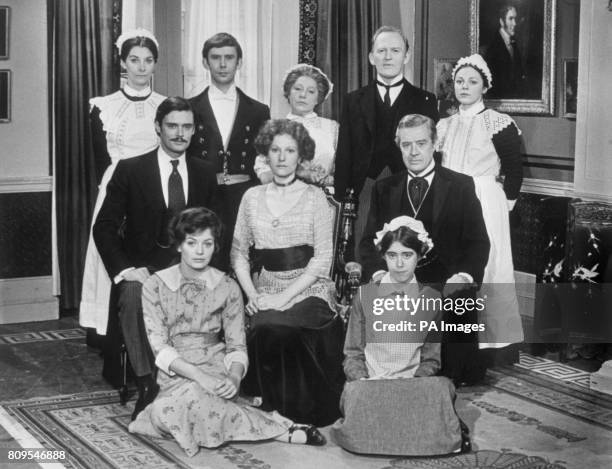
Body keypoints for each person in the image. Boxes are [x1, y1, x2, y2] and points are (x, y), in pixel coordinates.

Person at [128, 207, 325, 456]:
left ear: (215, 246)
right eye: (192, 243)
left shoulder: (229, 287)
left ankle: (242, 420)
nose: (200, 251)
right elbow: (160, 348)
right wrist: (200, 377)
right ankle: (279, 428)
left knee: (196, 402)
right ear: (179, 246)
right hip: (176, 372)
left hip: (215, 365)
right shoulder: (154, 285)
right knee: (170, 408)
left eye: (207, 244)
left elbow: (237, 346)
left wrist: (233, 377)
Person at [93, 97, 218, 420]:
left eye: (186, 127)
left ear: (194, 131)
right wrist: (124, 270)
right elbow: (103, 227)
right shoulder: (131, 169)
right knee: (133, 294)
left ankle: (200, 380)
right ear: (157, 128)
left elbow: (219, 228)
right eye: (172, 126)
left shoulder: (205, 172)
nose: (180, 133)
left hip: (194, 271)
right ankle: (147, 383)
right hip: (145, 272)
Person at [359, 114, 490, 385]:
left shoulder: (461, 186)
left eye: (421, 143)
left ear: (435, 143)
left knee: (457, 303)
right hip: (396, 279)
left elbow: (478, 242)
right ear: (399, 146)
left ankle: (444, 388)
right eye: (406, 145)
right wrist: (378, 275)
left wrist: (464, 277)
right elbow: (367, 242)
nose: (414, 151)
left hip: (445, 282)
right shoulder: (384, 188)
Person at [231, 119, 345, 427]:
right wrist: (254, 295)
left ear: (301, 156)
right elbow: (238, 254)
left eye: (290, 150)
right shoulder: (251, 198)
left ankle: (305, 409)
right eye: (275, 150)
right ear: (265, 154)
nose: (282, 157)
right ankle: (269, 407)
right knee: (267, 324)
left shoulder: (315, 197)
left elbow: (322, 259)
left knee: (285, 324)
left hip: (310, 288)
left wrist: (283, 298)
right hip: (265, 287)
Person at [332, 217, 469, 455]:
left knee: (442, 387)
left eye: (407, 255)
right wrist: (363, 379)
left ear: (420, 255)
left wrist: (413, 382)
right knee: (353, 396)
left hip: (411, 386)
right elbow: (352, 353)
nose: (399, 264)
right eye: (392, 255)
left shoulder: (431, 299)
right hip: (372, 386)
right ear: (383, 256)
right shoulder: (365, 296)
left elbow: (431, 360)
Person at [80, 29, 166, 336]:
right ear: (123, 63)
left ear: (155, 64)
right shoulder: (103, 106)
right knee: (111, 251)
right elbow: (100, 159)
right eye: (134, 60)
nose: (141, 67)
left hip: (155, 191)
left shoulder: (165, 105)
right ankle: (107, 331)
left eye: (148, 60)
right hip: (116, 188)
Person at [437, 54, 524, 353]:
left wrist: (504, 204)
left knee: (489, 263)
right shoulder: (444, 124)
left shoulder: (498, 122)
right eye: (460, 81)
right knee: (456, 262)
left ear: (484, 87)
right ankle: (456, 343)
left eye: (472, 82)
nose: (464, 87)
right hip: (450, 197)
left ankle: (492, 342)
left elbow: (514, 169)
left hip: (486, 197)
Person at [187, 32, 270, 270]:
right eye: (215, 58)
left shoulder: (258, 111)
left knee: (241, 262)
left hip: (244, 196)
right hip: (202, 195)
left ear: (239, 62)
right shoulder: (189, 107)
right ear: (205, 62)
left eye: (229, 57)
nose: (223, 64)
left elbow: (264, 159)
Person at [254, 64, 338, 189]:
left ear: (318, 98)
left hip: (324, 198)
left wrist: (325, 178)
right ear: (288, 93)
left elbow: (344, 171)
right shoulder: (273, 128)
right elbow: (265, 176)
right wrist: (301, 173)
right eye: (297, 89)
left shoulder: (332, 128)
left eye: (310, 91)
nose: (303, 95)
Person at [484, 4, 526, 99]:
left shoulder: (513, 42)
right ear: (502, 22)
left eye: (515, 19)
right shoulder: (493, 47)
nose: (515, 23)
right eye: (510, 19)